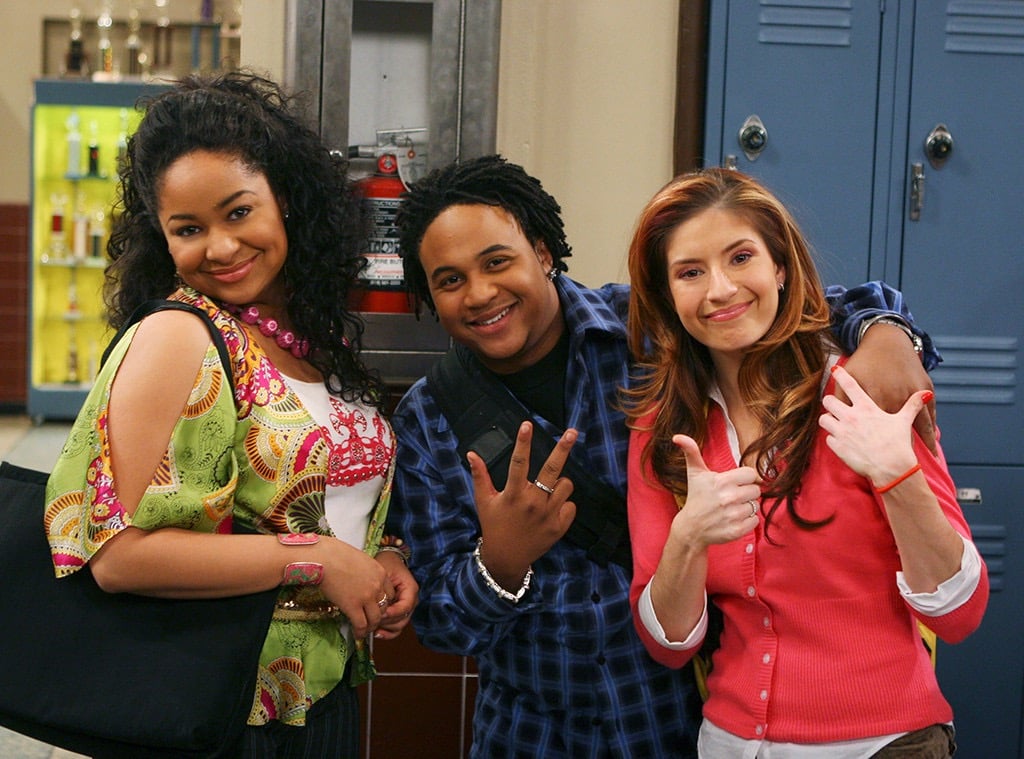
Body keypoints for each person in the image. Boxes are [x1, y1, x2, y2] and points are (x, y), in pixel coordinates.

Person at [386, 154, 939, 758]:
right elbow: (441, 625)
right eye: (450, 280)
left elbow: (791, 304)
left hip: (678, 721)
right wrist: (501, 562)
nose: (480, 293)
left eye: (497, 262)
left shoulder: (645, 329)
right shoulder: (430, 416)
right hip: (530, 735)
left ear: (542, 253)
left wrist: (888, 331)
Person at [44, 71, 418, 757]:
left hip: (320, 696)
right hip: (224, 709)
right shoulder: (178, 335)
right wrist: (316, 560)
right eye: (188, 229)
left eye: (238, 212)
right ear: (162, 238)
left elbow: (325, 499)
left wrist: (383, 555)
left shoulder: (307, 333)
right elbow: (116, 555)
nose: (218, 246)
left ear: (286, 201)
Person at [624, 167, 988, 757]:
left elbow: (961, 614)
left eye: (741, 257)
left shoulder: (862, 388)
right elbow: (668, 644)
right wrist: (688, 539)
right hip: (729, 744)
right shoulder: (662, 427)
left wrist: (897, 476)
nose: (720, 289)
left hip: (887, 744)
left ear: (780, 268)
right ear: (668, 296)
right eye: (690, 272)